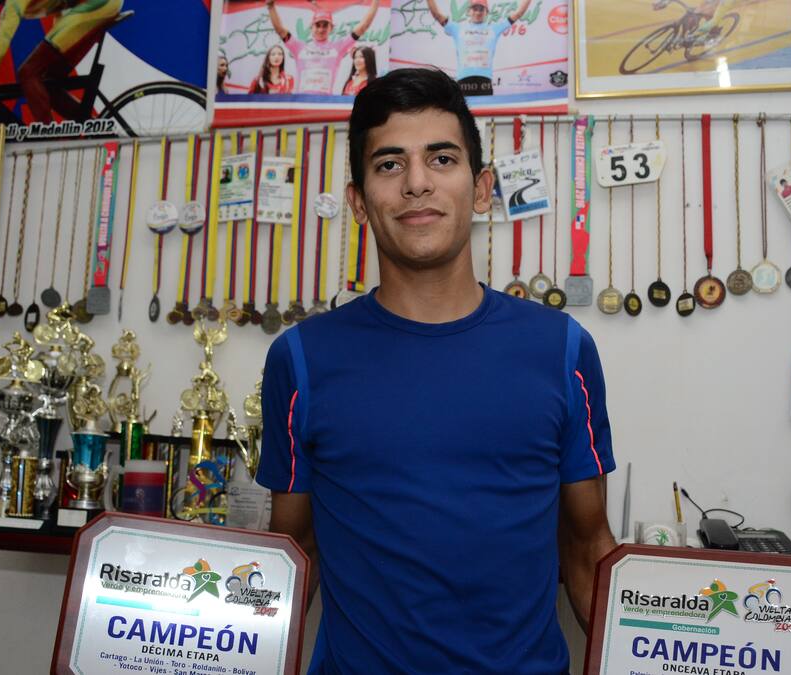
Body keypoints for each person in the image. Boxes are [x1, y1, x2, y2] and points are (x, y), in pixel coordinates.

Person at [256, 68, 617, 673]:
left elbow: (586, 550)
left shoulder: (562, 350)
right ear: (359, 201)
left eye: (442, 159)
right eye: (389, 164)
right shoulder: (300, 359)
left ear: (481, 189)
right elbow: (295, 553)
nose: (417, 183)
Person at [0, 0, 124, 122]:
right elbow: (61, 7)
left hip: (96, 5)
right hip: (97, 6)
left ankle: (49, 138)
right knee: (47, 82)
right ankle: (92, 127)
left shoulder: (13, 4)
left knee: (28, 73)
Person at [266, 0, 380, 95]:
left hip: (324, 104)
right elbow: (280, 30)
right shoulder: (299, 47)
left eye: (325, 25)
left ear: (331, 28)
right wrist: (271, 7)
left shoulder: (338, 48)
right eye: (317, 25)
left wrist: (376, 1)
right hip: (302, 103)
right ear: (311, 27)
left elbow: (363, 27)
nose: (321, 29)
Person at [425, 0, 533, 96]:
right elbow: (436, 14)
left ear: (487, 12)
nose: (478, 12)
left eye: (481, 9)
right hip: (463, 81)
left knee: (485, 113)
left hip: (484, 81)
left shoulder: (494, 29)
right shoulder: (457, 29)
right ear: (469, 11)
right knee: (463, 113)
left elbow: (518, 13)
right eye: (475, 9)